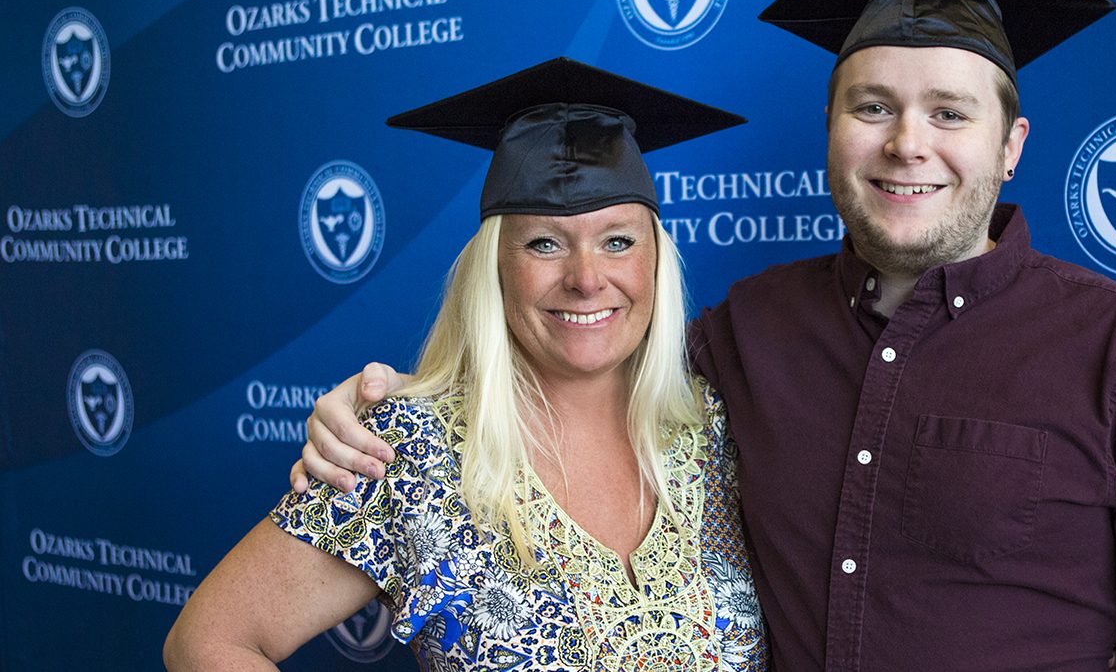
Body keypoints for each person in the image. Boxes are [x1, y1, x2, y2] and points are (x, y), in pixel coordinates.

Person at [291, 0, 1116, 669]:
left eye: (950, 112)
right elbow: (570, 360)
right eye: (873, 106)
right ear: (831, 126)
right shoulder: (743, 335)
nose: (906, 144)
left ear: (1010, 146)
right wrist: (374, 415)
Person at [164, 58, 766, 671]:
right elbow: (208, 640)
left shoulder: (713, 429)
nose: (587, 279)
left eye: (617, 241)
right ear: (495, 270)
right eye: (544, 244)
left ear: (656, 262)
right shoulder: (413, 451)